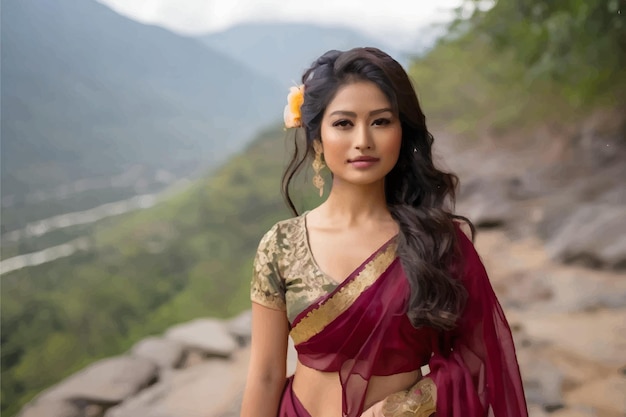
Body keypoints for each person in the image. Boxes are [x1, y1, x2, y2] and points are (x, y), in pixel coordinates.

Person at [240, 47, 528, 417]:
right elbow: (265, 375)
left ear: (401, 132)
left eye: (380, 122)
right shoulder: (280, 245)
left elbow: (481, 355)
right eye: (344, 123)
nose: (363, 140)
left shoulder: (438, 243)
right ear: (316, 137)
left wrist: (404, 407)